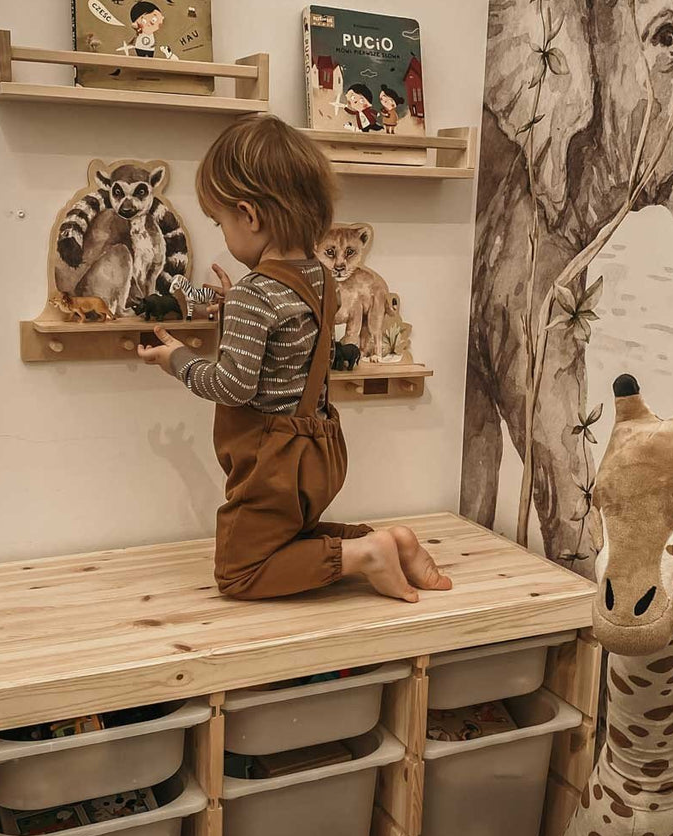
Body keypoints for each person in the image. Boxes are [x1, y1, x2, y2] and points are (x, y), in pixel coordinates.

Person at [137, 115, 452, 603]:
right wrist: (233, 308)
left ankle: (365, 555)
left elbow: (233, 386)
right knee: (285, 537)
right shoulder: (320, 278)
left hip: (273, 461)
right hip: (321, 447)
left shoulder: (254, 295)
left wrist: (177, 358)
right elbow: (287, 347)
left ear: (250, 215)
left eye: (220, 222)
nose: (223, 235)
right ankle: (388, 542)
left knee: (239, 571)